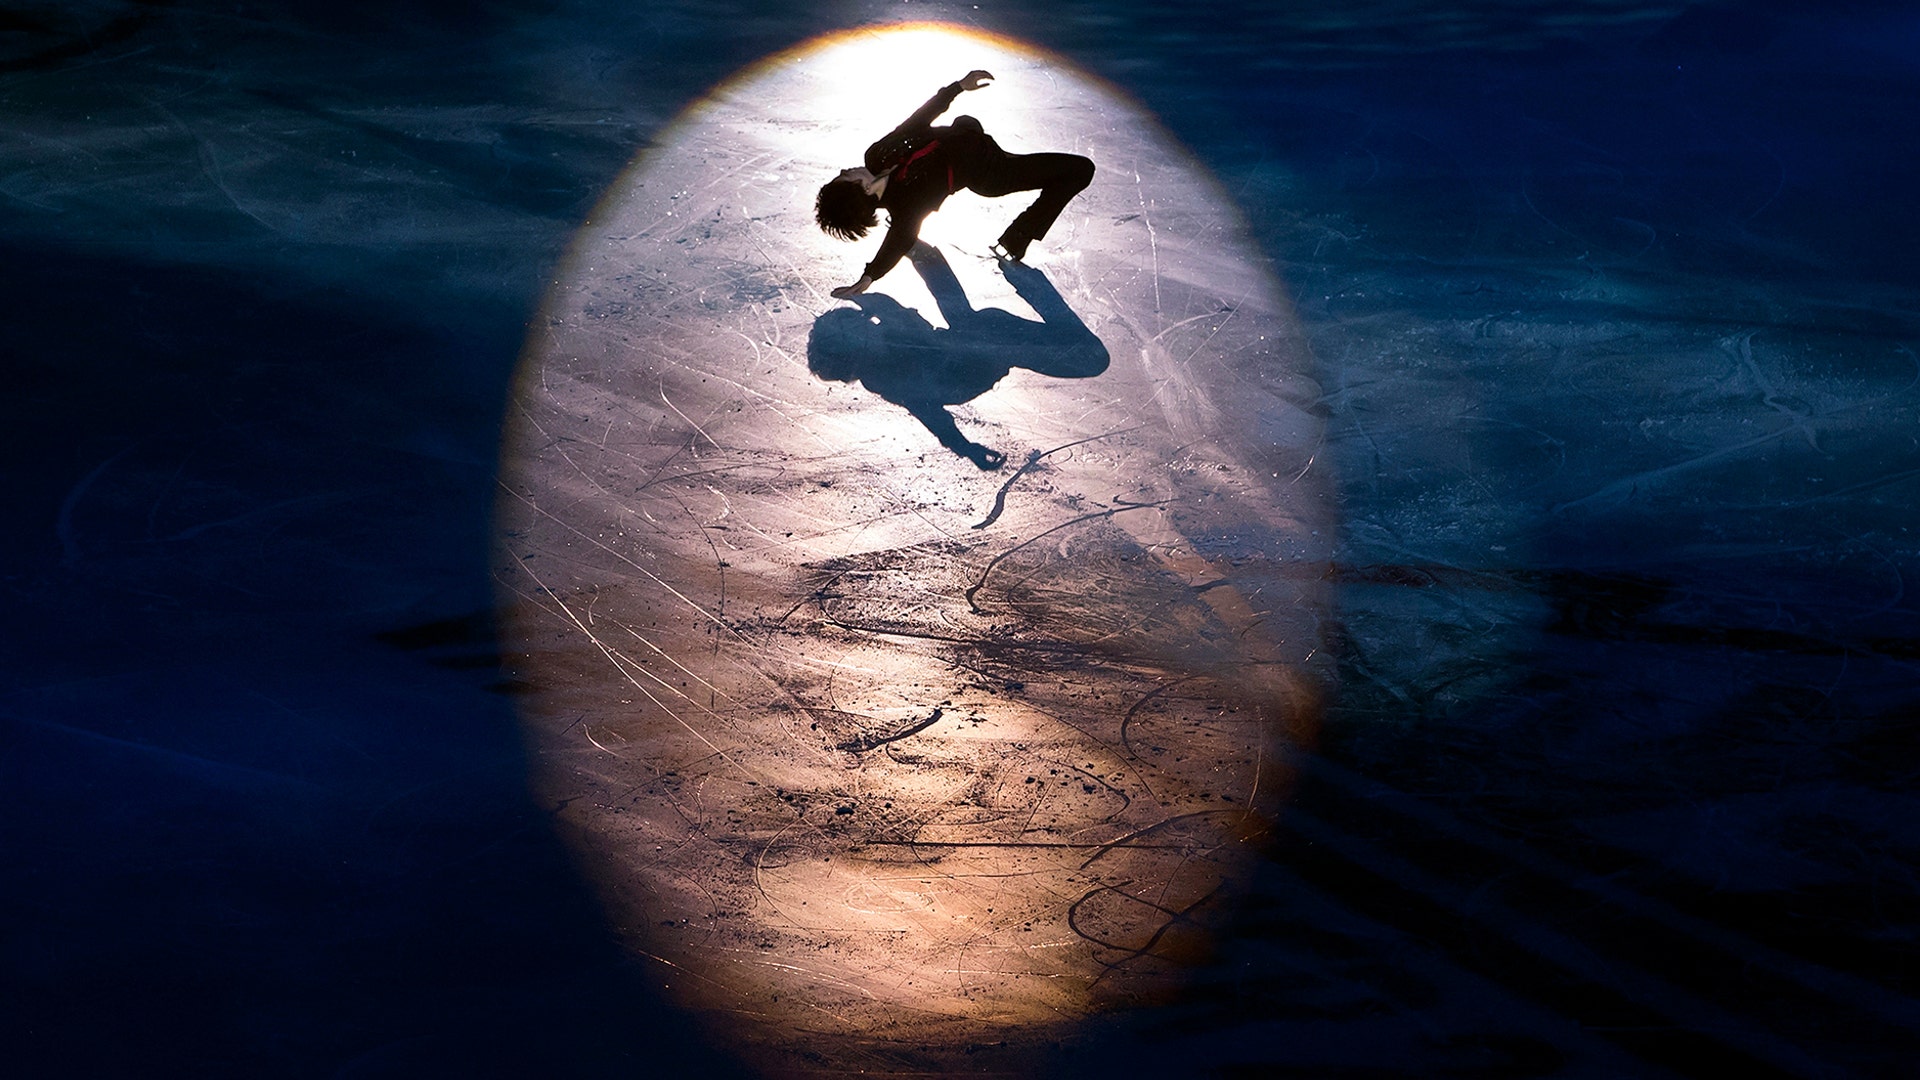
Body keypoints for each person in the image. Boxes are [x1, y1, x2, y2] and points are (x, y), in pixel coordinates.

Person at [816, 70, 1096, 299]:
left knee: (966, 121)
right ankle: (1019, 235)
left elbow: (917, 120)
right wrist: (870, 275)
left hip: (967, 135)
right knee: (1081, 170)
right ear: (862, 189)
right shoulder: (908, 204)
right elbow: (900, 238)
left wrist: (958, 87)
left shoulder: (876, 154)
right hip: (991, 171)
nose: (843, 169)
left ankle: (969, 130)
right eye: (843, 176)